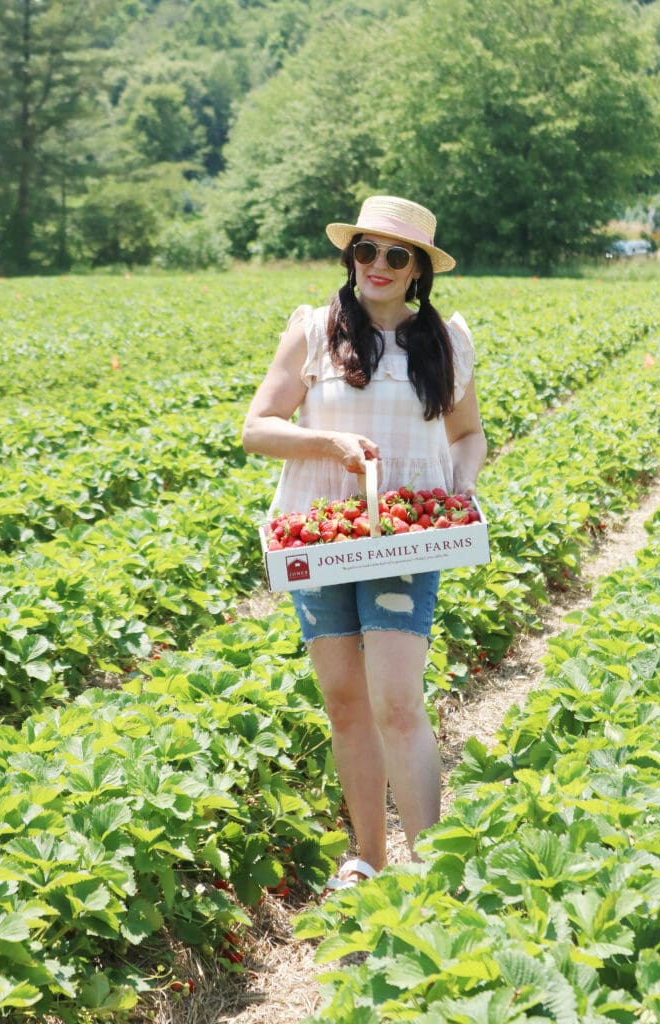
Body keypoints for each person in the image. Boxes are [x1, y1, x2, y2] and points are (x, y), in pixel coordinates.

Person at [242, 195, 486, 889]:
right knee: (345, 703)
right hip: (318, 535)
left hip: (405, 541)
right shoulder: (316, 330)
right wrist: (329, 442)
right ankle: (369, 858)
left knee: (396, 700)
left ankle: (433, 869)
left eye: (394, 255)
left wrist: (461, 484)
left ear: (418, 271)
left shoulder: (444, 341)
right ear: (350, 257)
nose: (376, 266)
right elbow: (257, 426)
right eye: (364, 251)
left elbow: (468, 435)